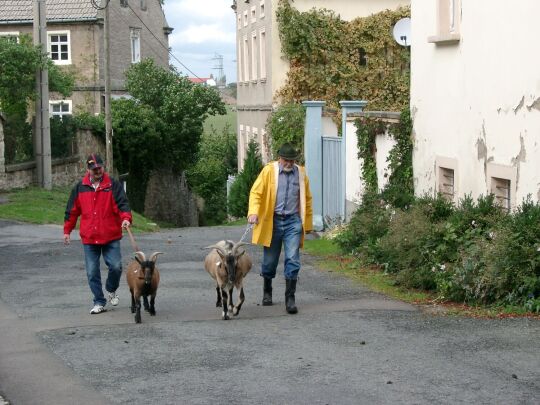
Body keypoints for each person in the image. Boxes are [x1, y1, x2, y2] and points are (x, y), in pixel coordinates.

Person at [247, 142, 313, 314]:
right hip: (273, 221)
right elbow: (256, 193)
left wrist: (308, 223)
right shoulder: (269, 171)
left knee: (292, 258)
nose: (289, 164)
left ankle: (290, 298)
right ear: (279, 158)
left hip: (293, 221)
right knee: (270, 261)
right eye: (286, 160)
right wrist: (253, 213)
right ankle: (267, 290)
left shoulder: (301, 174)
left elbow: (307, 199)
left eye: (292, 161)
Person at [63, 154, 132, 314]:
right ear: (88, 170)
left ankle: (111, 288)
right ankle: (99, 301)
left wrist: (126, 218)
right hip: (89, 237)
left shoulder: (113, 185)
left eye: (100, 168)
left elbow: (123, 204)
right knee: (92, 271)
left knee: (116, 267)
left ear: (103, 167)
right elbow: (72, 211)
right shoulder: (80, 187)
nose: (98, 171)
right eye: (94, 169)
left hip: (110, 235)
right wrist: (67, 231)